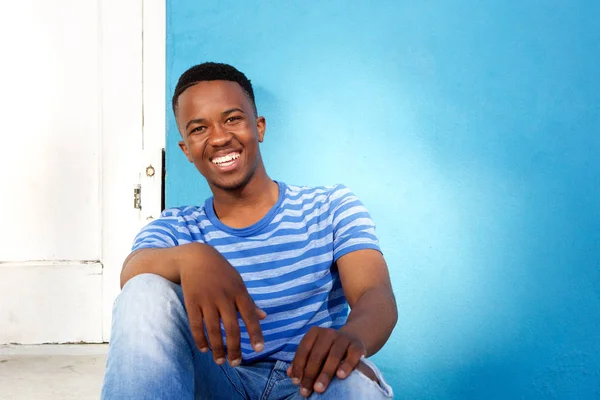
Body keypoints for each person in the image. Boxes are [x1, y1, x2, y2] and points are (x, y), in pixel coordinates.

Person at [101, 62, 397, 400]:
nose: (219, 137)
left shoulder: (329, 206)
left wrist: (352, 337)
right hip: (220, 383)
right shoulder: (178, 227)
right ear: (186, 150)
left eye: (232, 119)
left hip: (311, 381)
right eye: (198, 129)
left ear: (259, 127)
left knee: (354, 383)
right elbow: (132, 274)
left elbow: (376, 293)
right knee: (145, 287)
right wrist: (192, 257)